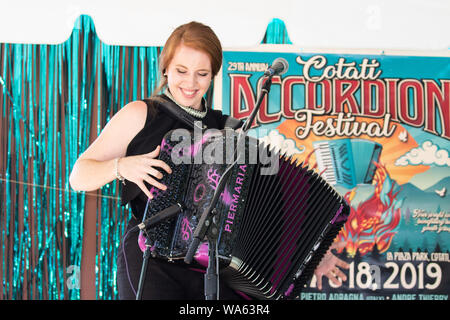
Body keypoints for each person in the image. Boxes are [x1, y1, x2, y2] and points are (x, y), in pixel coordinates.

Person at [69, 21, 348, 300]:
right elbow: (78, 175)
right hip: (150, 259)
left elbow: (260, 207)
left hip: (210, 268)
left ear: (213, 75)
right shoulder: (141, 114)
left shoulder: (228, 129)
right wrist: (122, 166)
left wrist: (303, 254)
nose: (190, 83)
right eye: (181, 71)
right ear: (165, 68)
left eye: (201, 74)